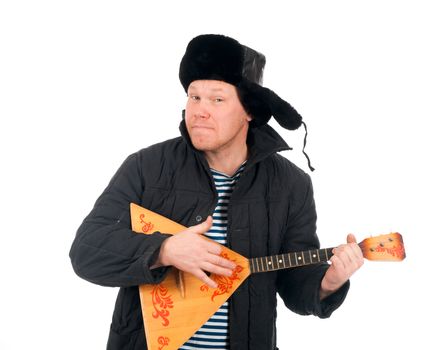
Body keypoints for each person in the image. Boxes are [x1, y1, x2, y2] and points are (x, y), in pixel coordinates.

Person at [69, 34, 364, 350]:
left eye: (217, 99)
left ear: (249, 111)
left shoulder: (290, 184)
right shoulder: (145, 167)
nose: (199, 111)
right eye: (194, 97)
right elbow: (87, 251)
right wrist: (164, 250)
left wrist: (328, 284)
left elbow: (294, 284)